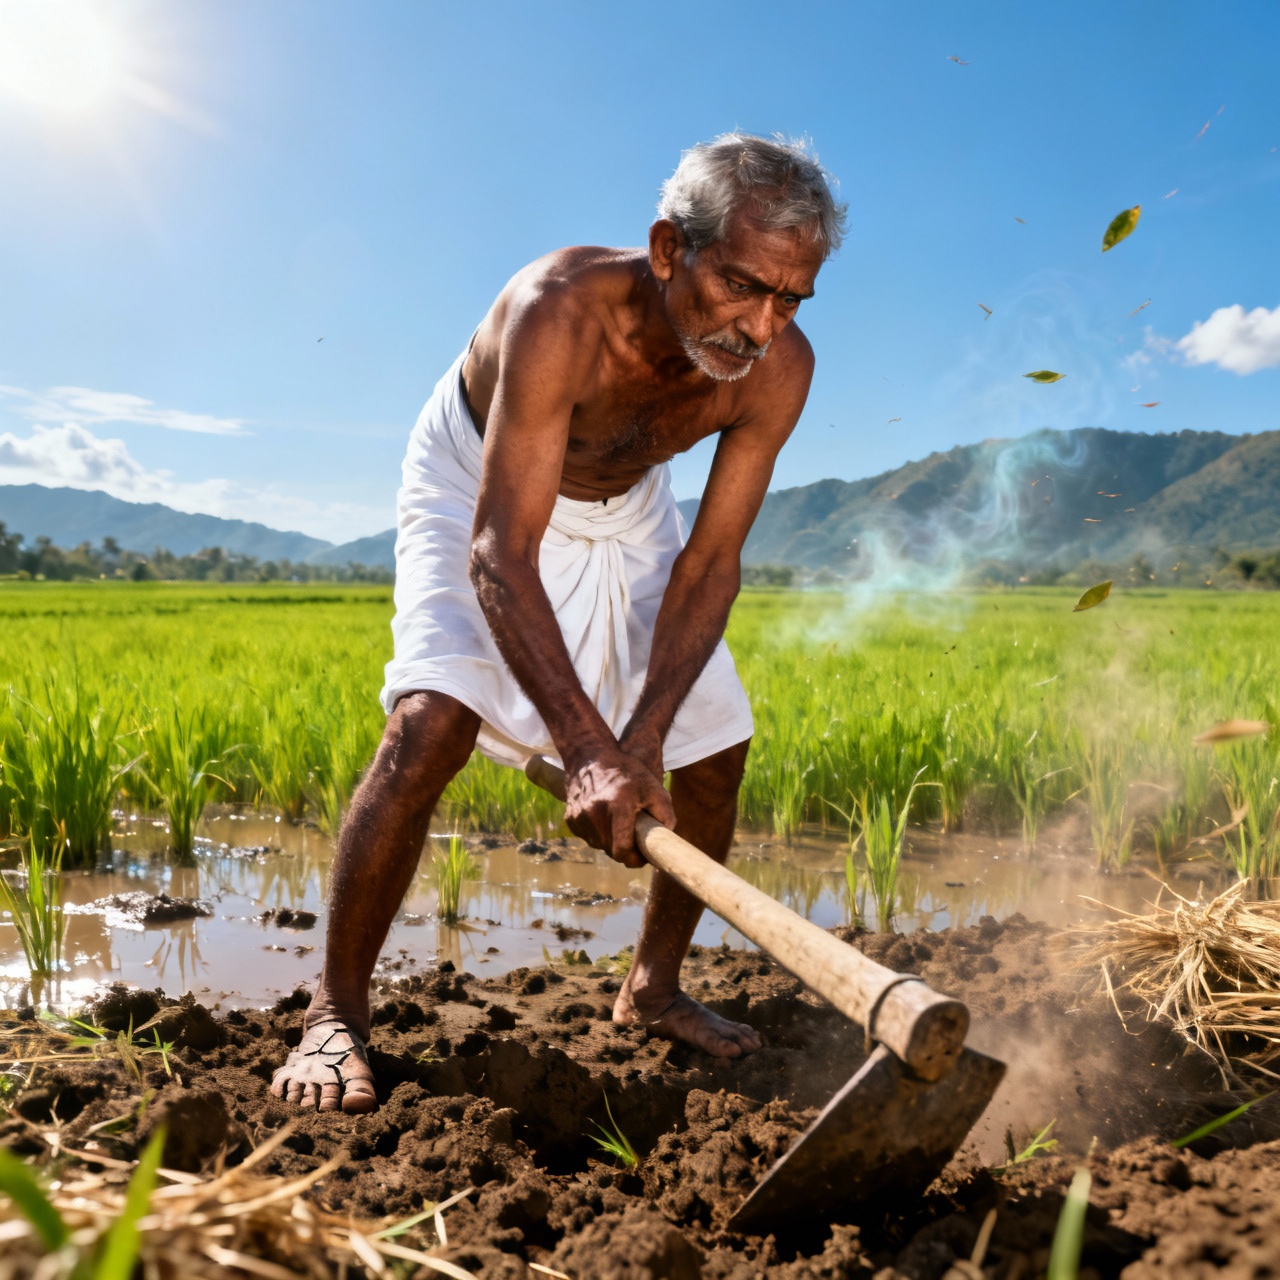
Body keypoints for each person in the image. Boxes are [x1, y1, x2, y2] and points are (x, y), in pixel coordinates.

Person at [272, 133, 846, 1113]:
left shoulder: (776, 368)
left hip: (629, 503)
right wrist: (586, 748)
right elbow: (500, 550)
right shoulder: (556, 317)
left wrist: (643, 739)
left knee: (715, 748)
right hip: (479, 480)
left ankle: (652, 989)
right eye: (743, 286)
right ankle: (334, 1009)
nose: (759, 325)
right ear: (670, 249)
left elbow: (708, 563)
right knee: (430, 721)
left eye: (788, 298)